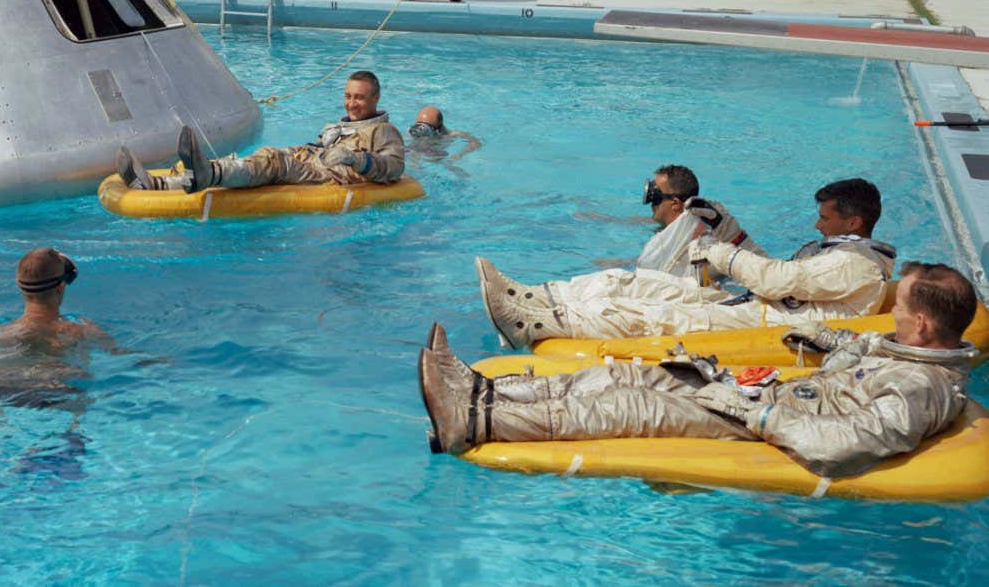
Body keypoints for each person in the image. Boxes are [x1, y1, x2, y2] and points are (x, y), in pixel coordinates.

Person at [420, 261, 981, 477]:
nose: (893, 313)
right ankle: (481, 389)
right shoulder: (905, 351)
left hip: (760, 419)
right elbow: (860, 362)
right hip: (763, 395)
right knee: (626, 376)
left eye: (901, 307)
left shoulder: (922, 387)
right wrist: (831, 339)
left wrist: (753, 415)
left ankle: (469, 420)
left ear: (924, 325)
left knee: (631, 407)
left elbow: (847, 443)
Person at [480, 178, 896, 344]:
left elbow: (775, 280)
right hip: (754, 307)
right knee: (638, 283)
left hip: (769, 325)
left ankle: (536, 324)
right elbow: (776, 274)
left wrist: (717, 251)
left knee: (654, 315)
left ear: (854, 221)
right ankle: (533, 296)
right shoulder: (837, 254)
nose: (817, 224)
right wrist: (726, 227)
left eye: (825, 217)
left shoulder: (855, 263)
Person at [476, 164, 760, 312]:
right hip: (666, 289)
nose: (649, 203)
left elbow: (754, 269)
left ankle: (538, 300)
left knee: (614, 280)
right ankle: (536, 297)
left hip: (684, 301)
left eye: (654, 197)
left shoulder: (707, 236)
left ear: (675, 204)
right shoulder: (673, 232)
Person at [117, 71, 404, 194]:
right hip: (309, 165)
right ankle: (158, 186)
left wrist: (357, 161)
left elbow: (394, 167)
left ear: (376, 99)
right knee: (268, 157)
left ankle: (208, 174)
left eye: (359, 98)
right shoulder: (336, 127)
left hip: (329, 177)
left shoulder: (383, 130)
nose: (351, 103)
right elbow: (313, 149)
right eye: (348, 96)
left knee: (272, 160)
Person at [0, 247, 114, 351]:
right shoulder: (81, 331)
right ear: (60, 287)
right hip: (54, 389)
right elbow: (126, 358)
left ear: (19, 286)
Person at [406, 105, 482, 176]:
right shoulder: (415, 132)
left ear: (438, 129)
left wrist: (459, 155)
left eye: (427, 130)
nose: (422, 133)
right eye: (419, 126)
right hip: (419, 154)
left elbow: (476, 143)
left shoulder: (452, 135)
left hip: (440, 157)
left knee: (457, 171)